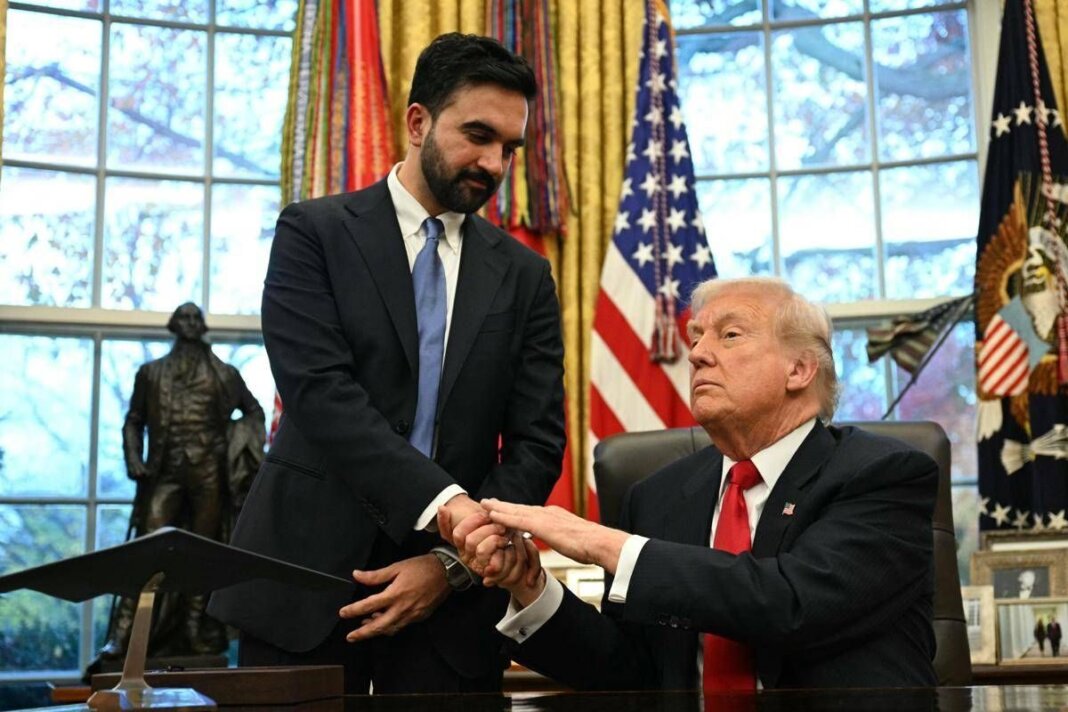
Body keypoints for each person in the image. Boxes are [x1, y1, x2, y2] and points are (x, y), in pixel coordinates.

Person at [207, 32, 566, 694]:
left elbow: (538, 443)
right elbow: (321, 395)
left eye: (510, 148)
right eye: (478, 135)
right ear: (418, 122)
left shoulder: (525, 276)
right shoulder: (313, 233)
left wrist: (452, 563)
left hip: (454, 616)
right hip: (303, 584)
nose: (493, 163)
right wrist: (449, 506)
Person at [452, 277, 938, 690]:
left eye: (730, 335)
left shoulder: (883, 475)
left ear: (799, 369)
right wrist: (532, 587)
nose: (698, 354)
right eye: (697, 337)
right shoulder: (656, 497)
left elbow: (792, 605)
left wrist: (606, 544)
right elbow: (629, 674)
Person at [100, 302, 265, 659]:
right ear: (173, 325)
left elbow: (254, 412)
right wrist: (134, 459)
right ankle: (124, 633)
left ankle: (194, 631)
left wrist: (236, 447)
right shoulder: (151, 373)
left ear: (202, 326)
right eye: (184, 317)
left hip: (209, 472)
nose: (190, 323)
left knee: (201, 553)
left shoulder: (225, 374)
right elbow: (134, 420)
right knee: (146, 549)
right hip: (166, 472)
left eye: (195, 318)